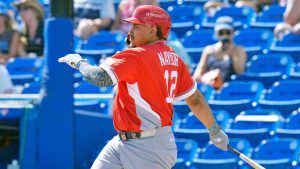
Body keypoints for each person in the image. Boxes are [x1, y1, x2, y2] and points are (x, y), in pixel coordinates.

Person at [59, 5, 229, 169]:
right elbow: (195, 99)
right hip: (127, 141)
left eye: (136, 26)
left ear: (153, 30)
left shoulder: (137, 56)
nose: (130, 31)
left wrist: (79, 63)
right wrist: (213, 129)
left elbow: (100, 78)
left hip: (148, 146)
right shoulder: (174, 59)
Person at [193, 16, 247, 90]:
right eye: (221, 33)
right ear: (216, 33)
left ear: (233, 33)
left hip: (229, 88)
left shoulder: (239, 50)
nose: (225, 35)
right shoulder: (208, 50)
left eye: (228, 32)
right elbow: (199, 70)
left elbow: (239, 71)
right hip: (210, 85)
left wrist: (231, 52)